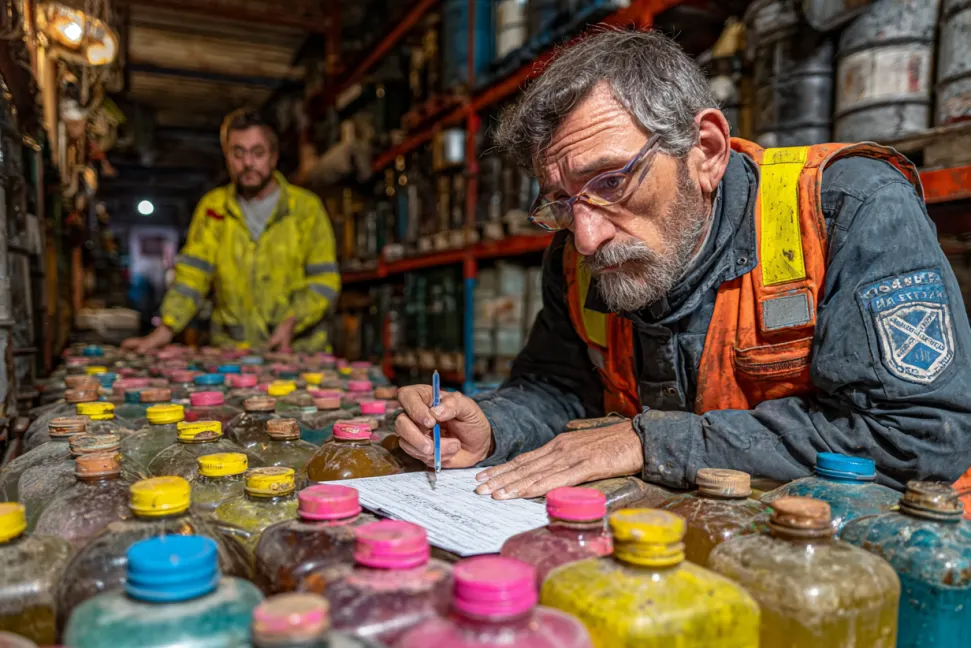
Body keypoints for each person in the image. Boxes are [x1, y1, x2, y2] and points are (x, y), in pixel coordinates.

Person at [393, 29, 971, 503]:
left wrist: (649, 441)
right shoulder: (575, 255)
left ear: (707, 152)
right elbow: (561, 386)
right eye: (562, 202)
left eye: (613, 181)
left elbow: (918, 438)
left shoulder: (846, 209)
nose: (587, 238)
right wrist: (494, 427)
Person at [122, 108, 340, 353]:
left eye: (258, 153)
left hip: (299, 353)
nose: (248, 163)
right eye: (238, 153)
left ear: (273, 157)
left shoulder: (306, 209)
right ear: (226, 156)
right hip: (234, 355)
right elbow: (192, 276)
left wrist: (293, 320)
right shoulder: (213, 209)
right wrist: (166, 328)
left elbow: (324, 281)